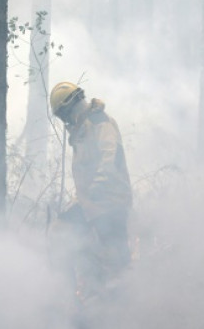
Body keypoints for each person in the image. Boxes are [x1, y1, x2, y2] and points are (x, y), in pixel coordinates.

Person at [49, 82, 132, 290]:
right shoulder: (83, 130)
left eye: (63, 114)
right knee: (60, 232)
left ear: (70, 106)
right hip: (91, 204)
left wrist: (97, 188)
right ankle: (70, 295)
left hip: (111, 203)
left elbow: (109, 158)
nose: (64, 119)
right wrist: (81, 200)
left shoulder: (100, 123)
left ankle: (126, 306)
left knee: (116, 262)